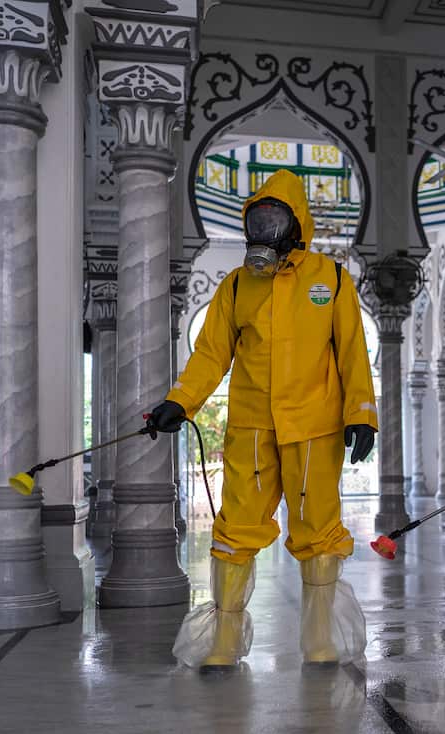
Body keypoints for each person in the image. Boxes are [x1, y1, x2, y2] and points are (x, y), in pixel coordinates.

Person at [149, 169, 378, 674]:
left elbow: (352, 355)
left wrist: (361, 414)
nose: (264, 229)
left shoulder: (331, 279)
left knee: (318, 529)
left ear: (298, 223)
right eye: (257, 218)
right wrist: (180, 402)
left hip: (315, 428)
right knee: (236, 529)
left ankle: (320, 639)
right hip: (252, 427)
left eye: (275, 218)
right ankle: (224, 641)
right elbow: (210, 355)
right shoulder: (236, 286)